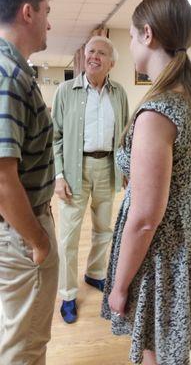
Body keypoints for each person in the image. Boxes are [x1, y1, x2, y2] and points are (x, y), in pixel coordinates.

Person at [101, 0, 191, 365]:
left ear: (148, 34)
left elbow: (144, 218)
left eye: (133, 35)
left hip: (162, 247)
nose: (133, 43)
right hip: (187, 230)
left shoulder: (158, 110)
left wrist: (118, 287)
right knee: (165, 341)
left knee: (155, 344)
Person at [0, 0, 58, 364]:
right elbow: (3, 180)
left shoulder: (13, 69)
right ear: (27, 12)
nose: (49, 24)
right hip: (22, 232)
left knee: (17, 333)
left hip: (17, 229)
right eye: (46, 11)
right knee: (25, 345)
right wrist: (39, 240)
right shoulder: (9, 76)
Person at [52, 35, 129, 324]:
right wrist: (58, 176)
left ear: (111, 63)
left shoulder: (119, 93)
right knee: (68, 237)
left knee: (103, 230)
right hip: (75, 170)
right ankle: (68, 293)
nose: (94, 56)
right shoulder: (65, 91)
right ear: (84, 57)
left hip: (106, 168)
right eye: (90, 52)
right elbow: (55, 137)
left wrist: (125, 170)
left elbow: (122, 134)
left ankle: (94, 274)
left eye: (101, 53)